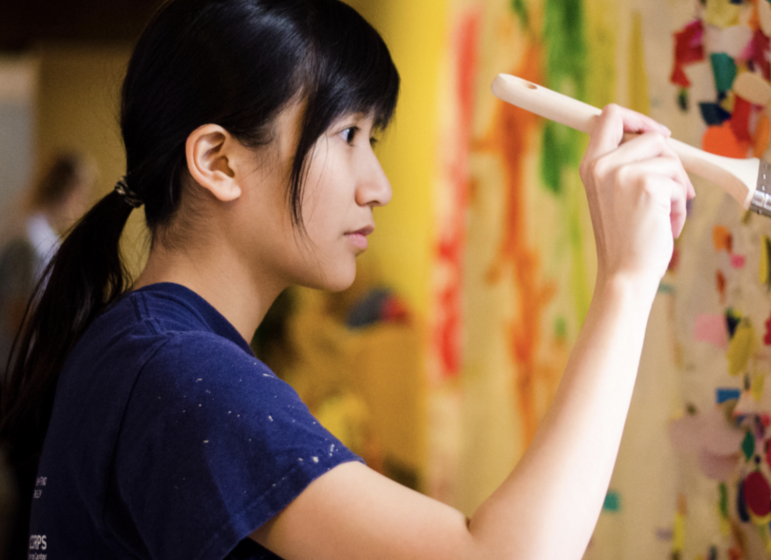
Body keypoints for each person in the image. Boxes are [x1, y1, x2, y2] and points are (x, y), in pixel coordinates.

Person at [0, 0, 694, 558]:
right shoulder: (179, 372)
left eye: (375, 139)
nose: (379, 186)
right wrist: (627, 281)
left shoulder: (146, 345)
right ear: (218, 159)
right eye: (348, 135)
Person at [0, 151, 95, 376]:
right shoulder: (28, 238)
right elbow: (18, 315)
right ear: (73, 190)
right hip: (15, 369)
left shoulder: (36, 231)